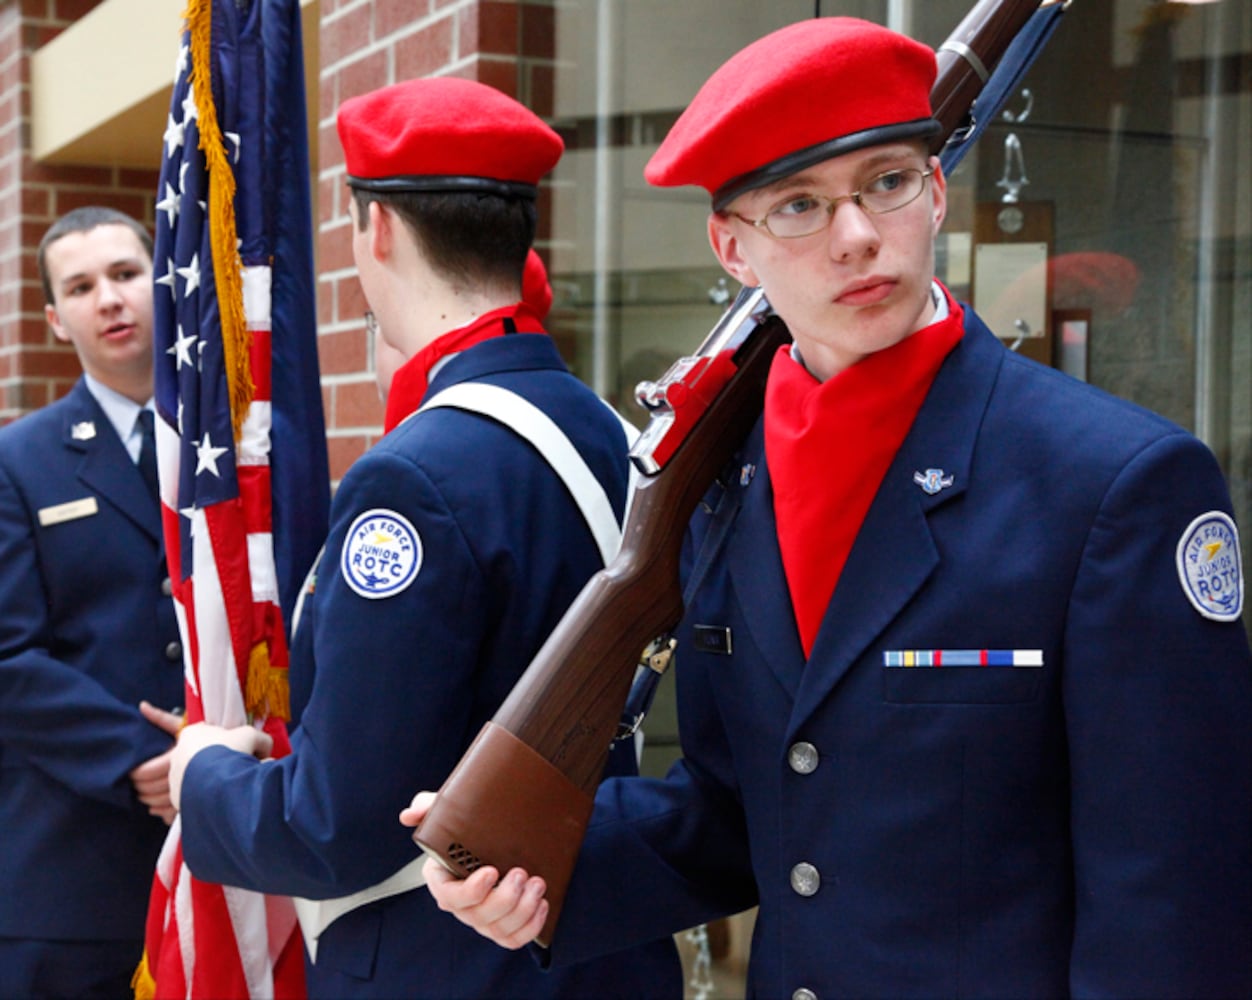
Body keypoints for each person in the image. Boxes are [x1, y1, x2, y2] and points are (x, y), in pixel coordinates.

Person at [411, 17, 1252, 998]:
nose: (857, 236)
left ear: (935, 191)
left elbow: (1170, 902)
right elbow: (745, 811)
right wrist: (536, 868)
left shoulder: (1120, 485)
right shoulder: (729, 483)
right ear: (732, 246)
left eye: (887, 183)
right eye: (801, 205)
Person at [165, 77, 681, 998]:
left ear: (379, 230)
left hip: (448, 962)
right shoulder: (607, 429)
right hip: (598, 947)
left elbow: (336, 825)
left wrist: (204, 774)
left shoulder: (413, 475)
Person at [0, 207, 185, 997]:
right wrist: (139, 757)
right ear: (53, 317)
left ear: (162, 281)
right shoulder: (18, 460)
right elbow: (9, 656)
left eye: (125, 274)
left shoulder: (237, 445)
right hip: (70, 870)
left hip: (228, 849)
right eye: (80, 286)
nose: (108, 299)